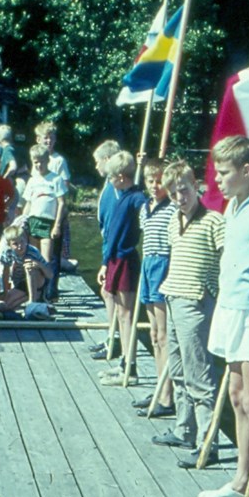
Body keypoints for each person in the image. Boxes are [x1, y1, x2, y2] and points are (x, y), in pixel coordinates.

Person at [196, 136, 249, 497]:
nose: (217, 179)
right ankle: (242, 478)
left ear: (247, 171)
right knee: (236, 395)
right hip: (230, 307)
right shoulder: (233, 205)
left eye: (224, 172)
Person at [150, 160, 225, 469]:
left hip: (196, 302)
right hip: (173, 298)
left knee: (200, 374)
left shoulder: (214, 221)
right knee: (178, 369)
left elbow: (228, 260)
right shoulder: (172, 221)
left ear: (197, 187)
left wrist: (214, 293)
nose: (179, 197)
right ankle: (185, 429)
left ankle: (210, 443)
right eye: (174, 192)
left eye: (184, 189)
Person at [97, 151, 147, 386]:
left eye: (111, 178)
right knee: (119, 311)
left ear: (120, 177)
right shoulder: (123, 196)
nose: (110, 182)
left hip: (126, 259)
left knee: (126, 314)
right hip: (114, 258)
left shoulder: (135, 197)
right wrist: (106, 262)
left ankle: (131, 367)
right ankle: (124, 362)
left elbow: (147, 209)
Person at [131, 157, 177, 416]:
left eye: (160, 181)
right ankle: (160, 388)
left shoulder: (172, 208)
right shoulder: (145, 207)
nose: (155, 185)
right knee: (153, 335)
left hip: (163, 264)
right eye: (151, 180)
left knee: (163, 334)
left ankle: (167, 397)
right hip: (148, 265)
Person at [89, 139, 122, 360]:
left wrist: (104, 259)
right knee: (107, 292)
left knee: (110, 293)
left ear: (108, 160)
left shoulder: (114, 190)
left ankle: (115, 339)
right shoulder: (109, 187)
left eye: (97, 161)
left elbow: (111, 224)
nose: (96, 166)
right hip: (108, 245)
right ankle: (113, 335)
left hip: (113, 249)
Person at [34, 121, 72, 299]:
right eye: (45, 138)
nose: (48, 141)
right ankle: (37, 289)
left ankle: (51, 290)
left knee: (53, 255)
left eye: (51, 138)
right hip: (38, 216)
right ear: (38, 139)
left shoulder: (59, 161)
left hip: (54, 215)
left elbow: (64, 187)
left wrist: (59, 219)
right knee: (36, 253)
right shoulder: (35, 158)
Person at [21, 144, 68, 273]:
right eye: (36, 162)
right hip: (33, 221)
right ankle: (36, 289)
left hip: (48, 223)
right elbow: (28, 204)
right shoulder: (32, 181)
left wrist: (57, 225)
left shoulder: (56, 179)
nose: (39, 165)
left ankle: (48, 289)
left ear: (47, 161)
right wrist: (21, 222)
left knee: (46, 259)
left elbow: (62, 203)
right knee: (32, 257)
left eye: (42, 162)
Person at [0, 224, 52, 312]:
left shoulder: (32, 251)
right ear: (9, 245)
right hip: (21, 283)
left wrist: (38, 264)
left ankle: (32, 301)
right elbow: (6, 272)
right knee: (8, 304)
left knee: (29, 266)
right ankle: (36, 296)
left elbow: (50, 275)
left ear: (26, 240)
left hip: (38, 281)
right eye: (15, 244)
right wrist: (5, 292)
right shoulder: (7, 252)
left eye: (22, 242)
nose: (20, 246)